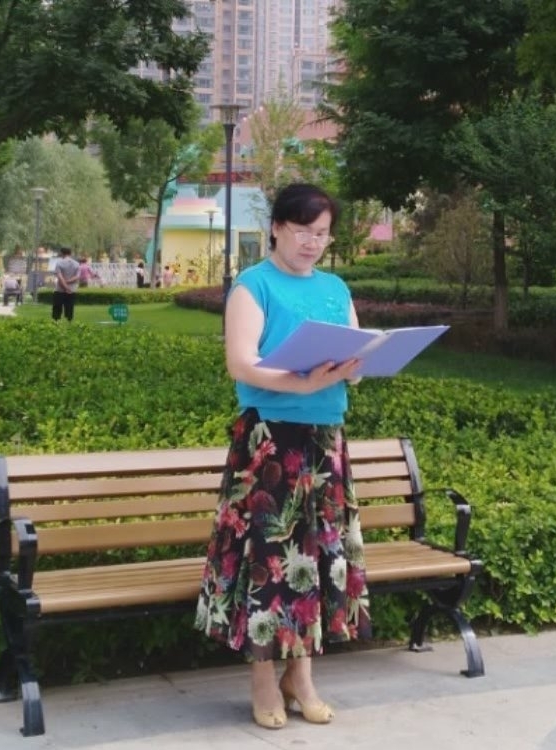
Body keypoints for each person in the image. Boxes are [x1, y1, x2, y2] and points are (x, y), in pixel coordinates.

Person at [195, 183, 371, 731]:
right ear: (276, 228)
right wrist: (302, 383)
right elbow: (241, 364)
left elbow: (356, 354)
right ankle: (263, 679)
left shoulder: (335, 286)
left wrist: (356, 367)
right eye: (302, 232)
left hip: (324, 440)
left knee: (318, 559)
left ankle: (302, 677)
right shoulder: (254, 286)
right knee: (269, 561)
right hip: (270, 442)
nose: (312, 243)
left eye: (322, 234)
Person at [51, 247, 80, 321]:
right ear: (70, 253)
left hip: (60, 289)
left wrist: (65, 286)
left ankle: (56, 321)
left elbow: (60, 277)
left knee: (57, 306)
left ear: (61, 253)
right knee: (69, 306)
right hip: (72, 289)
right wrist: (68, 282)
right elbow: (77, 276)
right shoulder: (76, 264)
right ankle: (69, 321)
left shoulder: (59, 263)